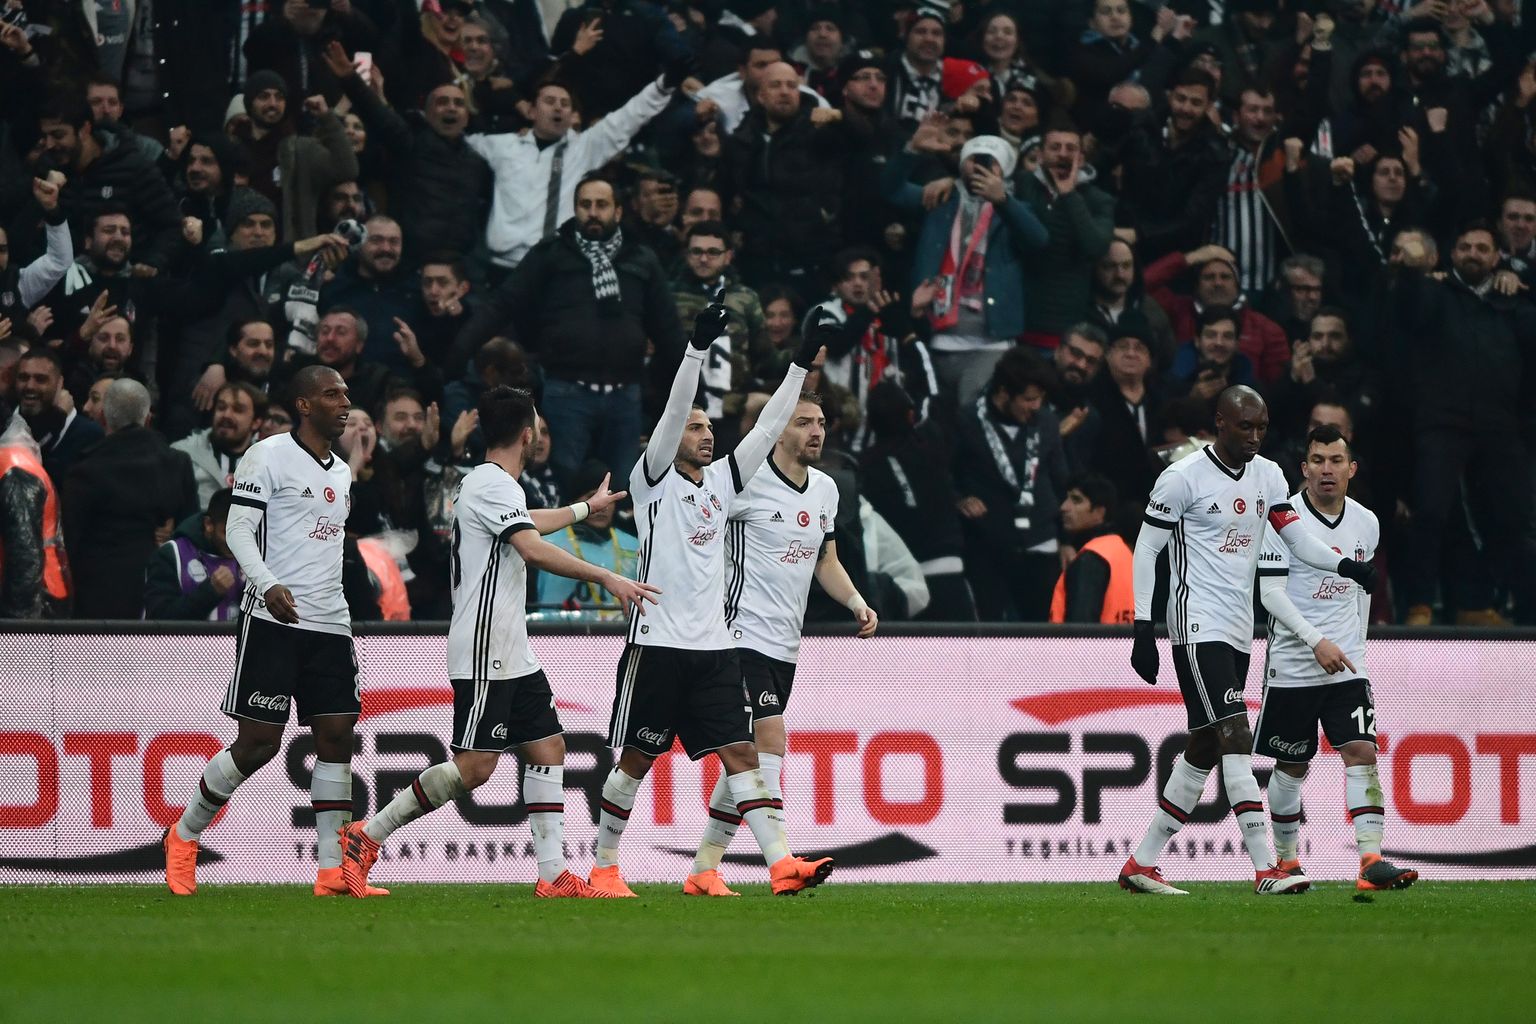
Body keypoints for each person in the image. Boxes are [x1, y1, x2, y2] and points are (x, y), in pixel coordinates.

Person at [338, 385, 657, 898]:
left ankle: (552, 875)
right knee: (475, 768)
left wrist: (584, 507)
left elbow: (528, 524)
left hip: (511, 646)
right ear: (528, 434)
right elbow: (531, 547)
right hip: (486, 644)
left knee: (549, 746)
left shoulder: (493, 484)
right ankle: (368, 835)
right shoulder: (492, 484)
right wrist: (608, 576)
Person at [590, 301, 836, 897]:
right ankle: (604, 866)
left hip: (715, 649)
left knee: (744, 754)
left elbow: (768, 428)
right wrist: (695, 351)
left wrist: (800, 363)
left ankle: (780, 865)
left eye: (708, 428)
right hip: (657, 646)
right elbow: (675, 409)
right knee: (636, 762)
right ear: (670, 439)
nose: (706, 435)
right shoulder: (653, 480)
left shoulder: (724, 480)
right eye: (695, 429)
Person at [1118, 385, 1377, 896]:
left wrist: (1345, 565)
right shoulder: (1182, 478)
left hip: (1239, 628)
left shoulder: (1270, 475)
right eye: (1245, 426)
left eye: (1262, 427)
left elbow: (1296, 538)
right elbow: (1146, 549)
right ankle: (1266, 869)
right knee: (1236, 734)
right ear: (1220, 422)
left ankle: (1140, 864)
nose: (1255, 436)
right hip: (1196, 623)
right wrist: (1142, 628)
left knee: (1204, 746)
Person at [162, 365, 369, 898]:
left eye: (346, 395)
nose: (344, 403)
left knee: (337, 737)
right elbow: (237, 530)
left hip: (330, 623)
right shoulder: (267, 455)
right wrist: (267, 583)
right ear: (304, 404)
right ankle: (184, 835)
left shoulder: (341, 472)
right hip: (272, 620)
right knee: (258, 744)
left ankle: (332, 871)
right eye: (332, 395)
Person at [686, 390, 878, 896]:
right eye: (803, 422)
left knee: (746, 758)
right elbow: (695, 533)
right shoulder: (743, 482)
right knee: (769, 740)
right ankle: (783, 861)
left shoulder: (826, 489)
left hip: (785, 645)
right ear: (777, 430)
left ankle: (704, 868)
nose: (816, 432)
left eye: (821, 422)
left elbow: (825, 561)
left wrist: (856, 602)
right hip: (738, 636)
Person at [1255, 425, 1418, 892]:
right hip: (1293, 665)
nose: (1327, 469)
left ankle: (1370, 860)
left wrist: (1357, 651)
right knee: (1292, 766)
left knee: (1361, 751)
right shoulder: (1282, 518)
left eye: (1335, 460)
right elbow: (1270, 594)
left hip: (1346, 665)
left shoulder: (1367, 523)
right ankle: (1287, 860)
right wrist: (1315, 641)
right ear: (1304, 469)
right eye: (1318, 460)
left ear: (1352, 469)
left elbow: (1362, 592)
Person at [456, 174, 685, 488]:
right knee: (564, 485)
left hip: (625, 395)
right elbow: (503, 304)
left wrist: (692, 393)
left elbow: (668, 330)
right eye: (585, 204)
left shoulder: (641, 258)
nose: (593, 212)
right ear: (575, 209)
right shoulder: (551, 253)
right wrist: (459, 352)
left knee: (624, 488)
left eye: (601, 205)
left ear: (618, 211)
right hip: (567, 393)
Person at [468, 69, 685, 273]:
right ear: (532, 111)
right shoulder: (502, 146)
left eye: (565, 104)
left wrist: (662, 87)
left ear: (572, 114)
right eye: (550, 101)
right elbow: (459, 138)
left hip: (553, 269)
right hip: (499, 267)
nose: (558, 108)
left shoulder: (582, 149)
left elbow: (627, 118)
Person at [62, 379, 199, 619]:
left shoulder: (84, 471)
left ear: (102, 418)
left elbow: (70, 540)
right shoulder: (177, 464)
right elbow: (191, 532)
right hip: (161, 591)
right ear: (148, 419)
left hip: (97, 596)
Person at [954, 348, 1069, 621]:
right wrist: (959, 499)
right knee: (991, 632)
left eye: (1040, 398)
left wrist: (1065, 539)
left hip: (1041, 544)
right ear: (1004, 393)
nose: (1035, 406)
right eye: (1028, 399)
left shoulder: (1047, 422)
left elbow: (1060, 481)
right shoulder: (966, 421)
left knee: (1045, 634)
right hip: (989, 546)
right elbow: (946, 473)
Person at [536, 460, 640, 619]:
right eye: (592, 497)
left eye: (610, 497)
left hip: (619, 632)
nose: (603, 506)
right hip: (553, 632)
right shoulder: (545, 543)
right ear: (574, 502)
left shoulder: (634, 546)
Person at [143, 488, 246, 622]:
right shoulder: (171, 554)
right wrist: (210, 591)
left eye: (244, 535)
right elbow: (158, 619)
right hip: (188, 637)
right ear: (208, 524)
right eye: (228, 534)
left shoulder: (256, 555)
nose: (236, 544)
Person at [1050, 473, 1132, 624]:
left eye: (1076, 500)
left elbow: (1080, 630)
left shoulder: (1091, 559)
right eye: (1066, 499)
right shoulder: (1123, 552)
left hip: (1094, 640)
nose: (1064, 507)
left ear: (1099, 512)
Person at [13, 347, 102, 482]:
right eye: (23, 378)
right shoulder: (4, 424)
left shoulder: (89, 435)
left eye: (41, 379)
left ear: (59, 383)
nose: (30, 386)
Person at [173, 382, 265, 506]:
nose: (226, 415)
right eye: (221, 408)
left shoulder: (269, 464)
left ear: (256, 423)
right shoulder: (181, 454)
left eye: (238, 410)